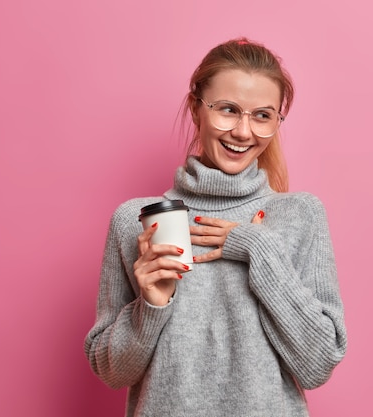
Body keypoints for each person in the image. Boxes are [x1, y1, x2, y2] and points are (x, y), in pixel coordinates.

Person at [84, 37, 347, 417]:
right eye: (228, 110)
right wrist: (152, 306)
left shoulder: (298, 214)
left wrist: (257, 250)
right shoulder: (137, 220)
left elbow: (319, 362)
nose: (243, 132)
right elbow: (110, 371)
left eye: (262, 115)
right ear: (196, 109)